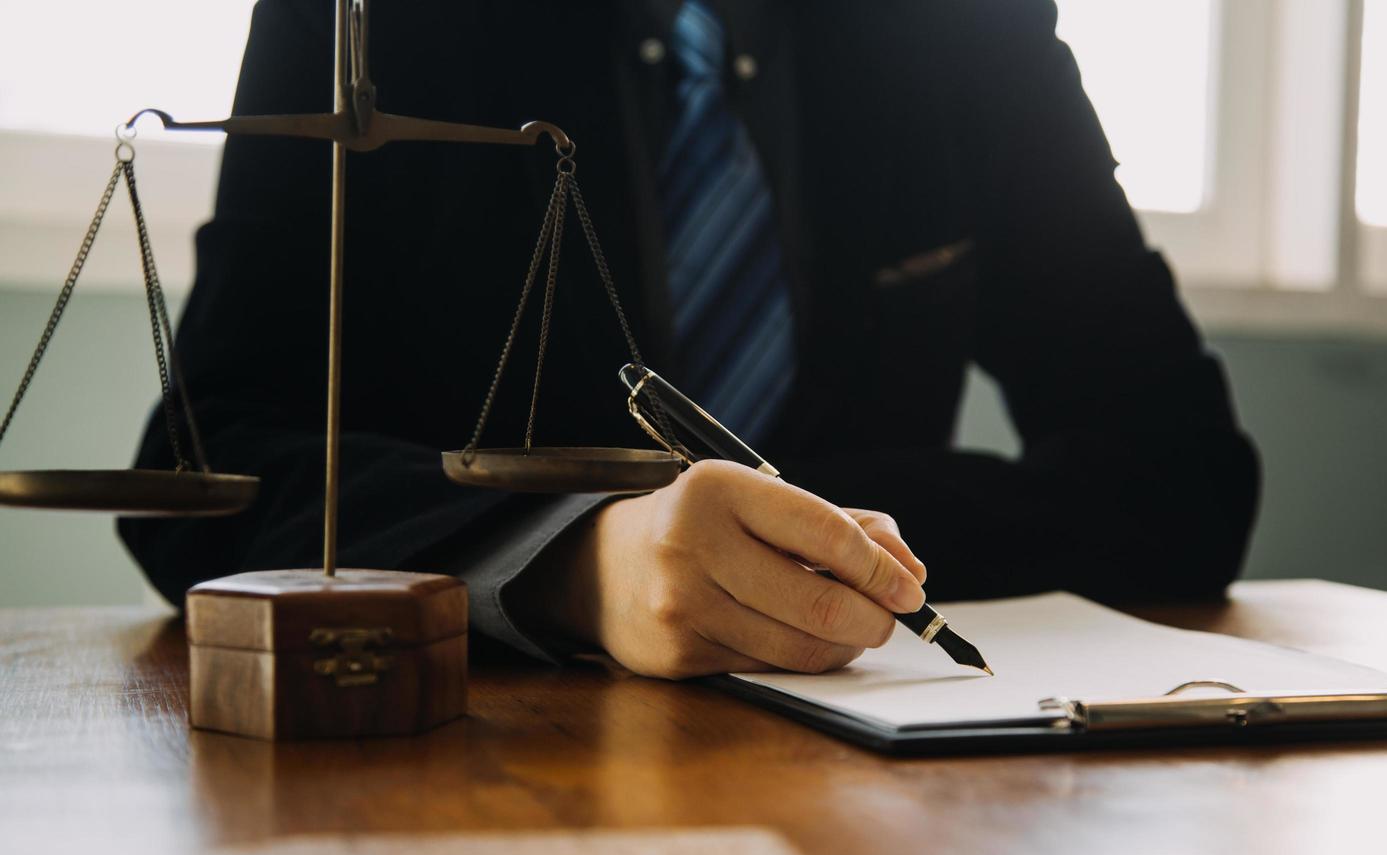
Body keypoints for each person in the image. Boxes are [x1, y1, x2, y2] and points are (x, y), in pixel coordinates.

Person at [120, 0, 1259, 679]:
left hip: (873, 789)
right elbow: (203, 462)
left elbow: (1185, 477)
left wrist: (807, 535)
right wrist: (569, 561)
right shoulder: (374, 20)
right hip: (472, 780)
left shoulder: (965, 30)